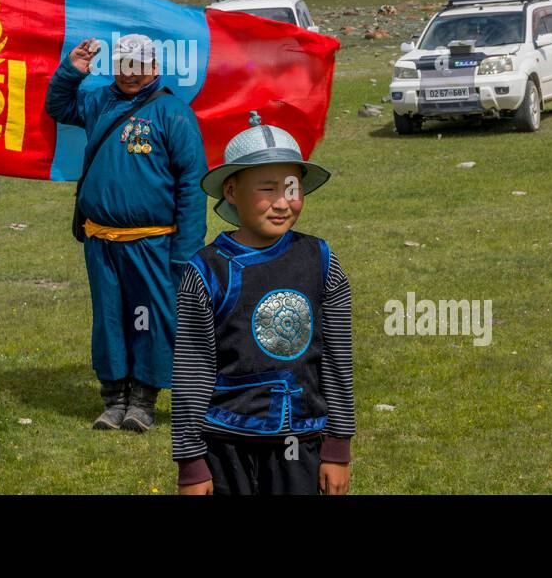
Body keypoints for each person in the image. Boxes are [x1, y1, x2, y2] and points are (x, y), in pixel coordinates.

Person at [171, 111, 354, 494]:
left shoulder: (320, 261)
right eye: (267, 188)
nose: (282, 202)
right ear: (232, 191)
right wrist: (191, 462)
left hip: (301, 443)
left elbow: (338, 361)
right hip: (225, 446)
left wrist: (338, 448)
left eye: (292, 187)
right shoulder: (206, 271)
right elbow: (192, 372)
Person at [44, 33, 208, 431]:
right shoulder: (100, 101)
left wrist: (185, 252)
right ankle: (113, 399)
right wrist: (72, 70)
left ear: (154, 66)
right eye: (124, 65)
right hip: (101, 240)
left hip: (153, 242)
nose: (131, 73)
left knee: (148, 319)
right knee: (110, 319)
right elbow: (58, 106)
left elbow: (192, 184)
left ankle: (143, 402)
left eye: (139, 65)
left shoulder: (173, 113)